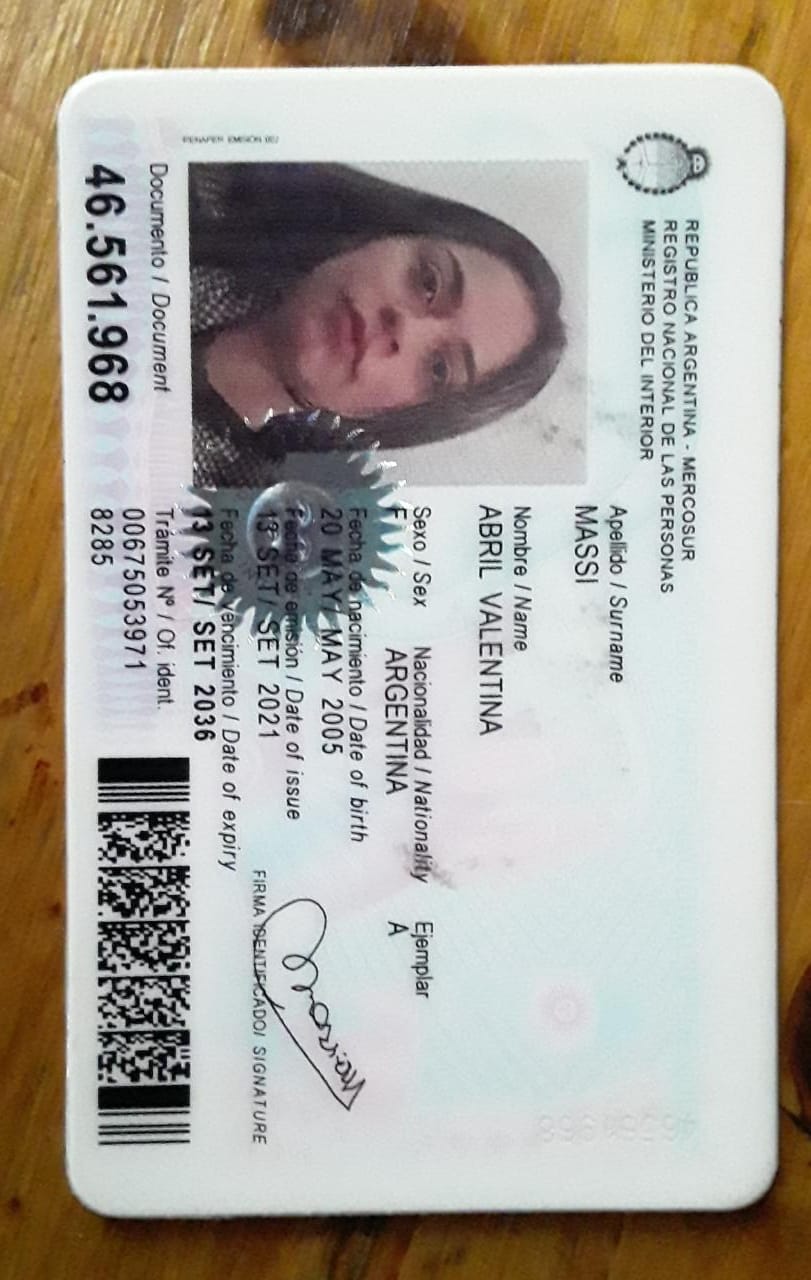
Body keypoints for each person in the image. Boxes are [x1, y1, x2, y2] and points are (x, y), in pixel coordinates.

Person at [189, 163, 566, 488]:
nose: (405, 328)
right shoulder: (188, 187)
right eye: (429, 282)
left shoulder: (238, 520)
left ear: (411, 418)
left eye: (438, 368)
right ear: (385, 233)